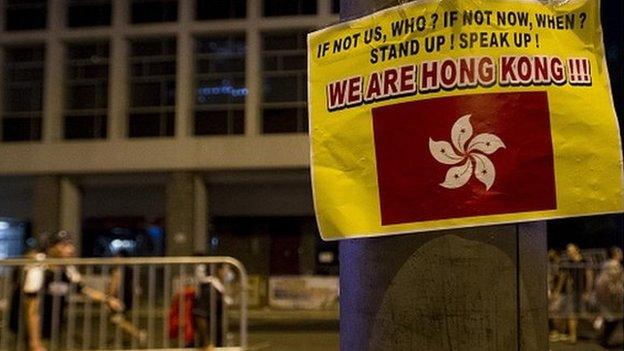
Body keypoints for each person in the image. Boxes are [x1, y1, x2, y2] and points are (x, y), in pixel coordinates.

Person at [21, 230, 124, 351]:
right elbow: (32, 309)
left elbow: (84, 290)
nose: (70, 250)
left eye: (70, 245)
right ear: (51, 248)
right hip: (27, 332)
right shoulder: (38, 268)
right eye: (64, 245)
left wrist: (108, 299)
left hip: (53, 330)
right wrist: (35, 342)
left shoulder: (67, 269)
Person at [553, 243, 594, 343]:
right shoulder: (568, 263)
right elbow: (563, 277)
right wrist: (557, 291)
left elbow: (590, 277)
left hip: (582, 291)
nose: (569, 253)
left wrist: (588, 291)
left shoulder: (585, 261)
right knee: (571, 313)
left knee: (584, 314)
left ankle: (598, 322)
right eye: (568, 251)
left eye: (571, 250)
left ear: (577, 250)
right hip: (572, 291)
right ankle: (572, 336)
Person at [193, 262, 234, 350]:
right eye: (227, 269)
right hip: (209, 344)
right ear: (219, 271)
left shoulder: (218, 288)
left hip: (216, 341)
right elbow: (200, 315)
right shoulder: (210, 290)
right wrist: (207, 343)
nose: (229, 273)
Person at [595, 247, 623, 347]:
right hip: (610, 294)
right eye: (619, 253)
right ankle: (605, 340)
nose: (621, 254)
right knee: (613, 318)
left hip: (604, 294)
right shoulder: (614, 264)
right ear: (615, 254)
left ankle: (604, 339)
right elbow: (614, 279)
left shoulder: (606, 264)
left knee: (609, 317)